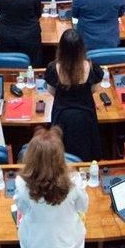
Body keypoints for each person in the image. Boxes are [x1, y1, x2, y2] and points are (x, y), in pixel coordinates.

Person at [13, 127, 89, 248]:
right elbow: (83, 207)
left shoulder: (21, 182)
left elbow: (22, 209)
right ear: (60, 156)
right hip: (68, 241)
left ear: (31, 155)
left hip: (35, 241)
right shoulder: (74, 180)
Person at [44, 28, 104, 161]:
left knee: (62, 157)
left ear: (61, 48)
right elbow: (94, 89)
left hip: (61, 117)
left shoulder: (53, 68)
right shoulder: (91, 68)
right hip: (86, 117)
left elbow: (51, 91)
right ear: (81, 48)